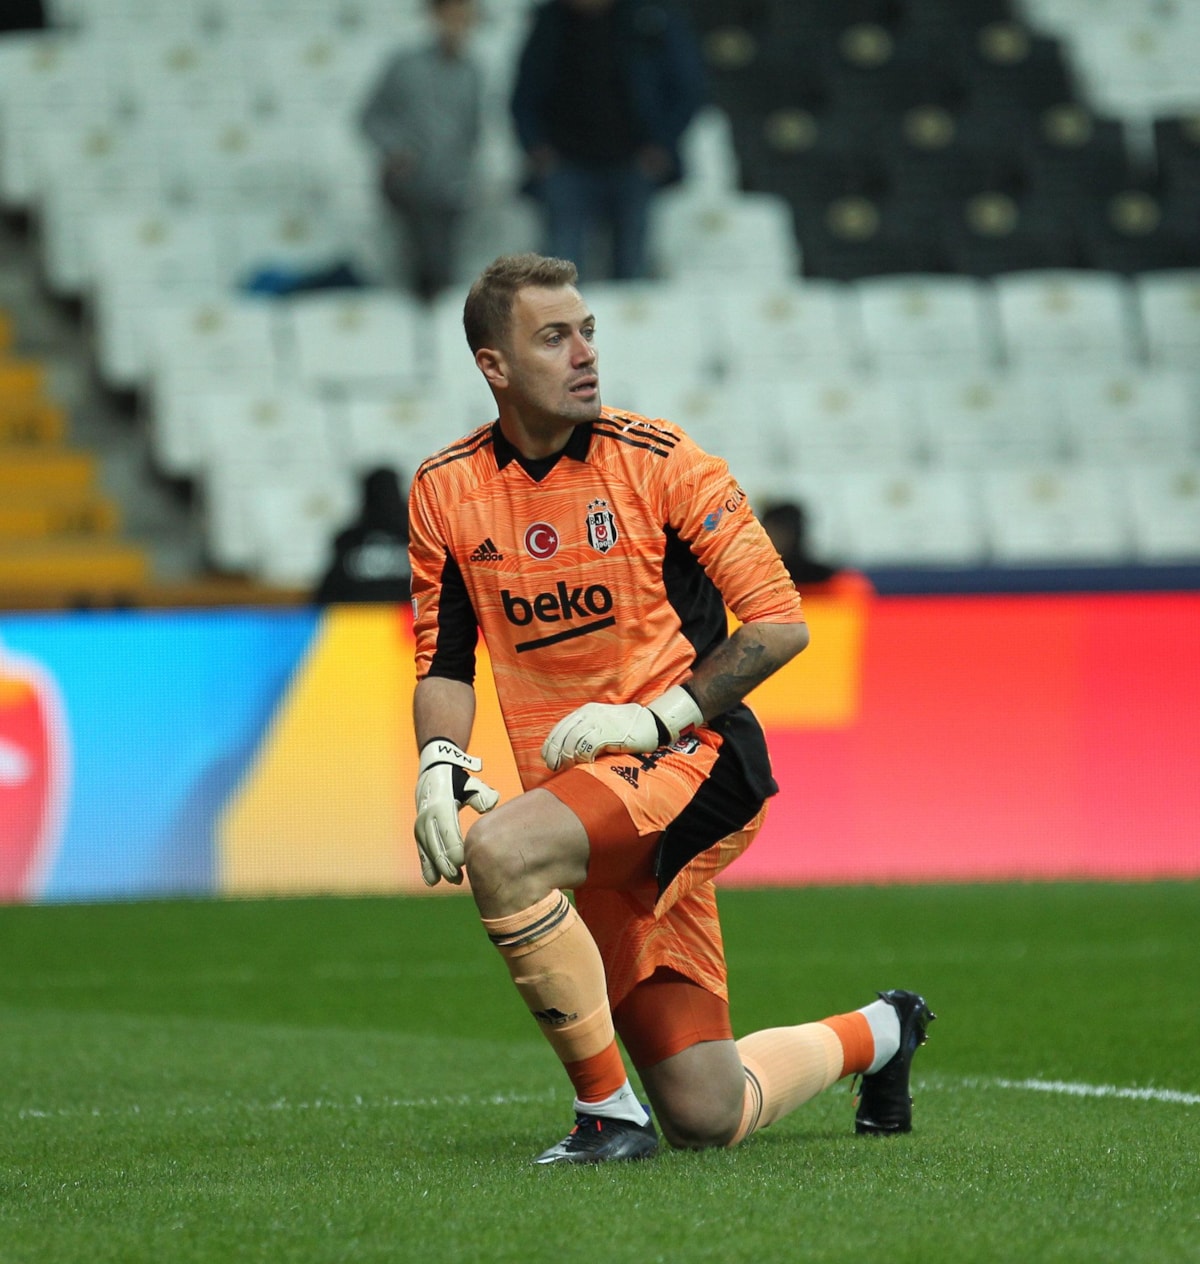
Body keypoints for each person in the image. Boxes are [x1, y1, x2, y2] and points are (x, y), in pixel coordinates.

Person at [407, 253, 935, 1164]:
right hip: (584, 800)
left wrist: (656, 718)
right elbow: (444, 660)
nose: (584, 353)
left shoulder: (661, 461)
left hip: (694, 763)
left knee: (502, 852)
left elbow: (780, 623)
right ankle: (884, 1031)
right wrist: (436, 762)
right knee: (706, 1112)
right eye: (553, 337)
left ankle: (608, 1117)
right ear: (495, 365)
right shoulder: (445, 489)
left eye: (588, 331)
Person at [510, 0, 708, 281]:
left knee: (632, 267)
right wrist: (536, 147)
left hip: (634, 163)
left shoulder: (650, 20)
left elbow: (688, 87)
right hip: (565, 165)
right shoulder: (550, 24)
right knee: (560, 269)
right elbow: (524, 95)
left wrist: (662, 144)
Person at [359, 0, 482, 300]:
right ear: (436, 16)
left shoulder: (472, 72)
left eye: (465, 17)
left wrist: (466, 172)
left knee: (445, 271)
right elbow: (370, 117)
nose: (458, 25)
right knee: (417, 270)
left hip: (451, 190)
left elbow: (472, 131)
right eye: (452, 16)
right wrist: (397, 150)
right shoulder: (405, 66)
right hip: (409, 185)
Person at [313, 466, 411, 604]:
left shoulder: (348, 540)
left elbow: (327, 595)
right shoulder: (418, 539)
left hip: (358, 617)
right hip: (407, 616)